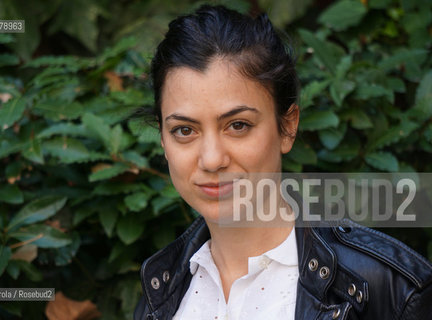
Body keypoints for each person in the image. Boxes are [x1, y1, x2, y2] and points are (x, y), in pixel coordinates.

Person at [134, 5, 432, 320]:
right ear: (163, 140)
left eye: (238, 125)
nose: (211, 159)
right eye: (184, 130)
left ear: (287, 127)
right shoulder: (160, 288)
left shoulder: (390, 291)